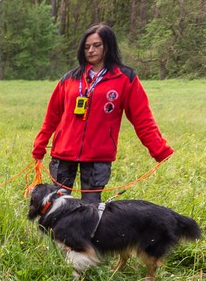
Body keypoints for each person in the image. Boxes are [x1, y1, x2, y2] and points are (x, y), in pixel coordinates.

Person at [31, 23, 174, 204]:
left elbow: (142, 119)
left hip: (98, 157)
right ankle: (57, 234)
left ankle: (87, 233)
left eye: (97, 45)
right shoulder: (69, 79)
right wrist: (40, 145)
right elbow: (51, 117)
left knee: (91, 208)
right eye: (86, 47)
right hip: (63, 154)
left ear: (108, 46)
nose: (91, 50)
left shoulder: (125, 79)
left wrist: (159, 149)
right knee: (57, 205)